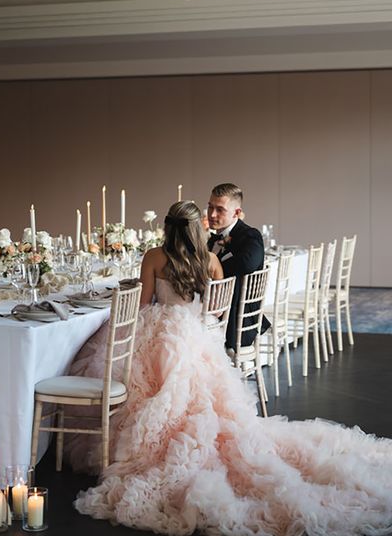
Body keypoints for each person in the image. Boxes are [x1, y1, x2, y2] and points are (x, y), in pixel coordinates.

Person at [73, 201, 392, 536]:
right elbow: (219, 314)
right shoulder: (210, 260)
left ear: (166, 228)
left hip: (161, 330)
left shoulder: (154, 256)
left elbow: (142, 303)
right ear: (197, 228)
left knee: (140, 376)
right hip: (195, 336)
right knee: (199, 395)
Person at [207, 183, 270, 352]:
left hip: (235, 321)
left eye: (220, 209)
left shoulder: (250, 236)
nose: (212, 214)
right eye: (210, 207)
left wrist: (213, 268)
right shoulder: (213, 238)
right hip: (216, 310)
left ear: (236, 212)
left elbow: (247, 264)